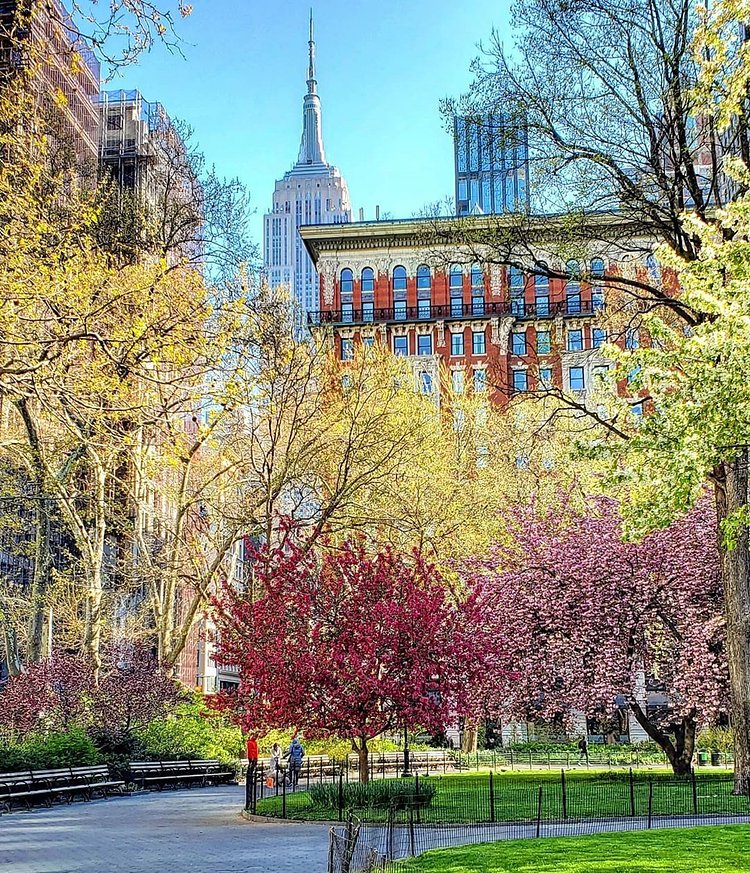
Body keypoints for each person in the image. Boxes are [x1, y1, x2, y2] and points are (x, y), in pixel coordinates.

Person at [245, 735, 259, 811]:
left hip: (255, 757)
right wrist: (252, 758)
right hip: (252, 758)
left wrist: (256, 758)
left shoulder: (255, 742)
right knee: (250, 771)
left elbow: (256, 751)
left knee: (253, 770)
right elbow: (250, 751)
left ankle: (251, 778)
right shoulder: (250, 742)